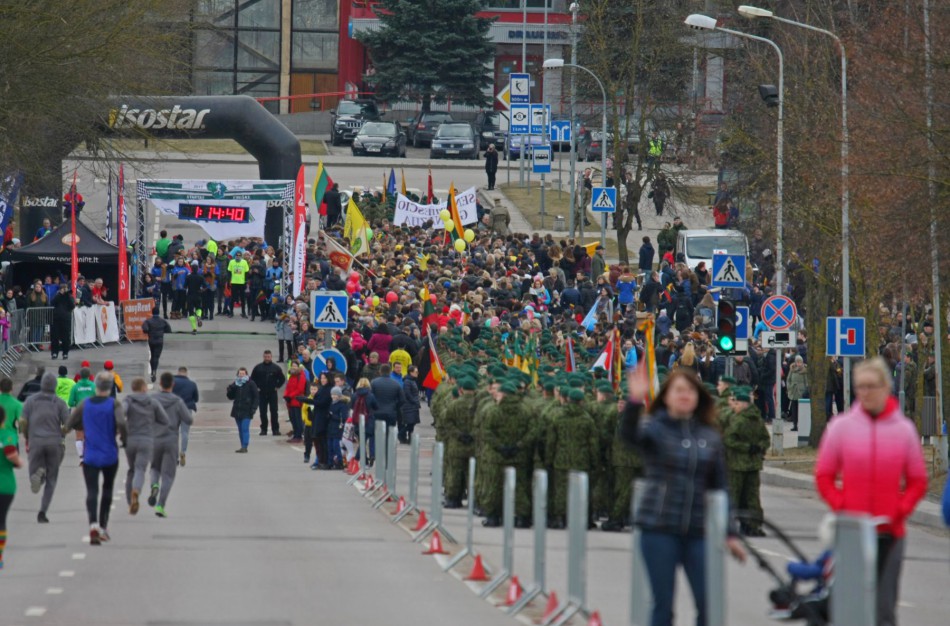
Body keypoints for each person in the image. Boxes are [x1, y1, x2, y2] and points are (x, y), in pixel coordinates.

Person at [621, 367, 746, 626]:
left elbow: (720, 487)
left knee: (708, 603)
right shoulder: (655, 429)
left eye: (690, 391)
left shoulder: (709, 437)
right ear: (666, 396)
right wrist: (634, 402)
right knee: (663, 607)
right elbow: (629, 437)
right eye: (678, 390)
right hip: (659, 528)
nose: (684, 395)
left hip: (697, 532)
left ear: (698, 397)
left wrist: (730, 532)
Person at [815, 357, 927, 626]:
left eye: (871, 386)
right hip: (851, 531)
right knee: (848, 605)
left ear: (886, 387)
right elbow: (824, 475)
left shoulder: (904, 430)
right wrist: (841, 504)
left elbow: (917, 479)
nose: (865, 393)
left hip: (890, 532)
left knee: (883, 608)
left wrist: (900, 509)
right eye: (860, 387)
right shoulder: (841, 427)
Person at [66, 372, 127, 545]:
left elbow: (70, 422)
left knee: (92, 491)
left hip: (90, 455)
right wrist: (125, 439)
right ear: (109, 388)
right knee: (107, 489)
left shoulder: (85, 404)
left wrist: (70, 429)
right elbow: (122, 423)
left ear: (96, 386)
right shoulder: (114, 404)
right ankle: (103, 526)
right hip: (109, 454)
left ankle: (92, 524)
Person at [20, 371, 68, 523]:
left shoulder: (30, 401)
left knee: (33, 470)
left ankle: (38, 476)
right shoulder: (60, 403)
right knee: (52, 478)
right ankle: (42, 512)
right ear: (55, 385)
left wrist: (27, 436)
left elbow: (22, 422)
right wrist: (62, 435)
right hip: (54, 442)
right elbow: (67, 424)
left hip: (36, 441)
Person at [148, 372, 193, 518]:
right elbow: (188, 419)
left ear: (160, 383)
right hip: (171, 440)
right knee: (168, 475)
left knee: (155, 467)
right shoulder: (177, 401)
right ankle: (160, 504)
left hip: (155, 439)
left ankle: (154, 485)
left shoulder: (153, 399)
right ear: (172, 385)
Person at [122, 378, 168, 515]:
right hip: (146, 440)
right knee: (140, 469)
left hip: (130, 440)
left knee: (131, 470)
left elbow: (121, 413)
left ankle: (130, 501)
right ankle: (136, 490)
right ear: (143, 388)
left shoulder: (128, 400)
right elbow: (164, 420)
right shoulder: (152, 402)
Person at [0, 404, 24, 568]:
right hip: (5, 484)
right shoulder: (8, 435)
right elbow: (10, 452)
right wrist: (19, 462)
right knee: (1, 521)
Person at [251, 350, 286, 436]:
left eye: (268, 357)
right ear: (263, 357)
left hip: (272, 393)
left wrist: (277, 386)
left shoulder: (276, 368)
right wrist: (256, 388)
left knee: (274, 412)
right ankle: (264, 429)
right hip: (261, 393)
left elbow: (282, 379)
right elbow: (252, 379)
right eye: (265, 357)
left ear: (271, 357)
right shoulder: (258, 368)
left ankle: (275, 429)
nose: (267, 358)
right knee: (263, 412)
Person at [227, 367, 259, 453]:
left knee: (245, 428)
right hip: (237, 409)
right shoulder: (236, 383)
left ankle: (245, 446)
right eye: (240, 374)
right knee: (240, 429)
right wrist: (230, 390)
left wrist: (254, 408)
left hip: (247, 410)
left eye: (243, 374)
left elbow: (256, 397)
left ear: (246, 374)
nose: (241, 375)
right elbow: (231, 397)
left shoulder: (251, 383)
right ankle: (242, 446)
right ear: (238, 375)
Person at [172, 366, 199, 466]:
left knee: (174, 433)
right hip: (187, 409)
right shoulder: (192, 384)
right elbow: (196, 398)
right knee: (185, 432)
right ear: (186, 373)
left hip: (174, 409)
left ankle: (175, 457)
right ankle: (183, 452)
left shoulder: (172, 382)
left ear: (178, 372)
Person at [142, 307, 172, 383]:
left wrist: (149, 331)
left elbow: (145, 329)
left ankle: (153, 370)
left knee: (152, 355)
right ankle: (154, 371)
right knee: (156, 357)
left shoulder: (148, 321)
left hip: (151, 340)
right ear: (158, 312)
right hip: (159, 341)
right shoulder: (163, 321)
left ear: (152, 312)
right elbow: (169, 330)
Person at [283, 361, 308, 442]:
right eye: (292, 366)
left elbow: (300, 389)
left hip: (297, 401)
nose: (293, 367)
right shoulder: (291, 376)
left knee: (298, 419)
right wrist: (286, 395)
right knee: (293, 418)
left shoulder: (301, 376)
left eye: (295, 366)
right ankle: (295, 434)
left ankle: (298, 435)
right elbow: (288, 387)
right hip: (290, 401)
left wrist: (290, 396)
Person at [50, 283, 74, 360]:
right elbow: (52, 303)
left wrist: (67, 295)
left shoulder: (69, 296)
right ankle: (54, 353)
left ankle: (65, 353)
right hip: (56, 319)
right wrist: (60, 294)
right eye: (63, 288)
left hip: (66, 319)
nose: (64, 290)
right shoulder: (57, 296)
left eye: (65, 288)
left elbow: (72, 306)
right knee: (55, 337)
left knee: (65, 337)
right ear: (60, 289)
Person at [398, 365, 421, 444]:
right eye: (416, 372)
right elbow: (407, 393)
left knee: (412, 423)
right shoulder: (408, 381)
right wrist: (414, 401)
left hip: (413, 405)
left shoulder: (412, 380)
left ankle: (409, 439)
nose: (417, 373)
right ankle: (400, 434)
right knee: (410, 423)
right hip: (409, 405)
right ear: (411, 372)